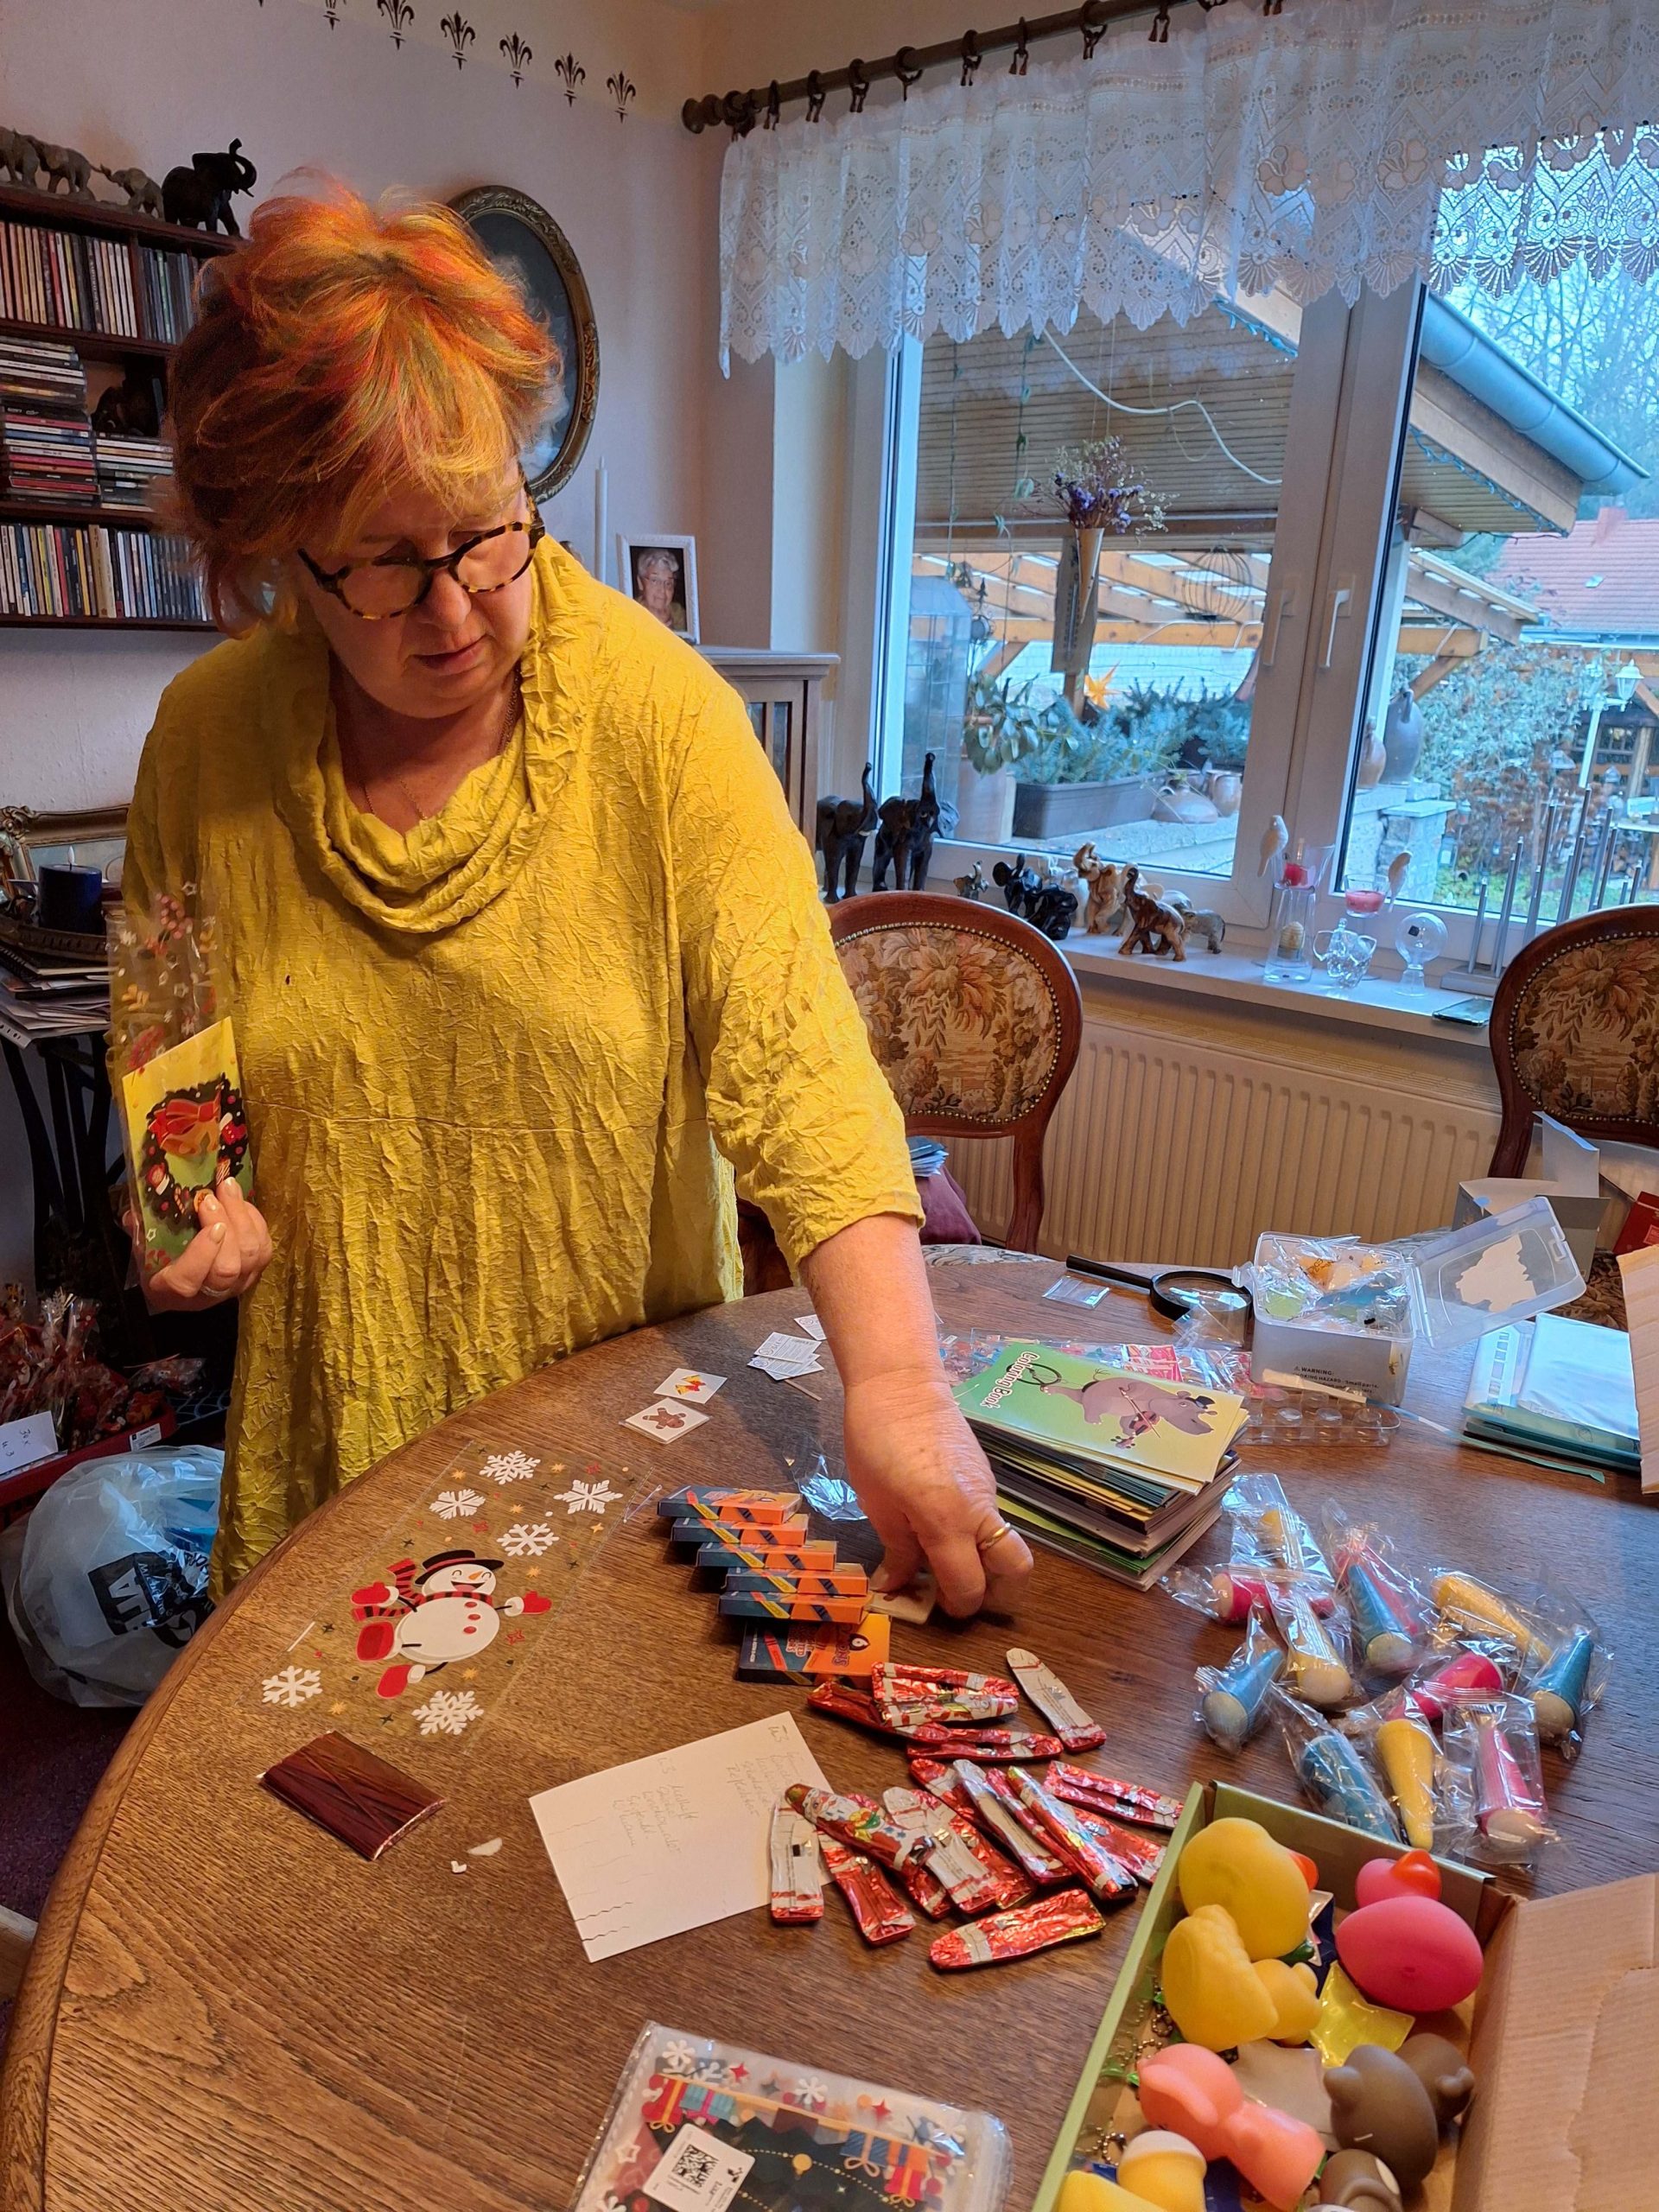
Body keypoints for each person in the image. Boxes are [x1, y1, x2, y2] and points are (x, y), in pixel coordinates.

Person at [128, 182, 1033, 1615]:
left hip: (620, 1478)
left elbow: (803, 1074)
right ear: (277, 552)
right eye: (383, 563)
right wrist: (180, 1217)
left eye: (489, 531)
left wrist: (904, 1386)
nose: (456, 609)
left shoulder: (664, 721)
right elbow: (169, 1043)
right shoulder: (204, 740)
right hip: (331, 1464)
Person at [632, 546, 687, 633]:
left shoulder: (679, 614)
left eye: (668, 583)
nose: (662, 590)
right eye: (655, 581)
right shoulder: (632, 611)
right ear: (640, 583)